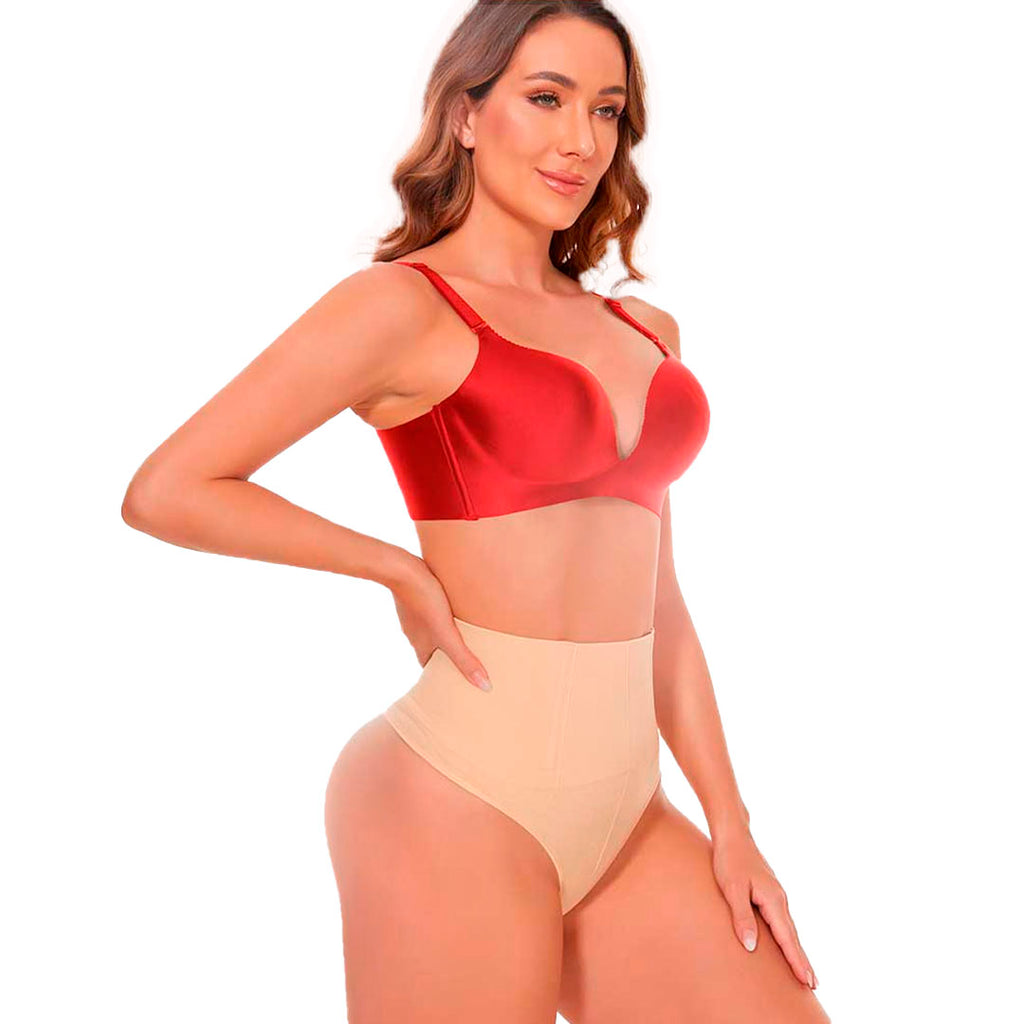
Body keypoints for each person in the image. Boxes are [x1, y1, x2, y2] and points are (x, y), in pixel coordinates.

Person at [122, 2, 831, 1021]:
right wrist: (393, 567)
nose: (578, 140)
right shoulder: (401, 306)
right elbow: (169, 489)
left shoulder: (646, 329)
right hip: (457, 789)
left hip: (628, 811)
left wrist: (730, 820)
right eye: (545, 98)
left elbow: (661, 602)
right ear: (465, 112)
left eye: (605, 110)